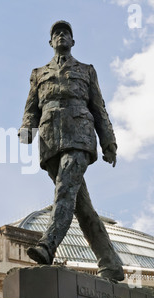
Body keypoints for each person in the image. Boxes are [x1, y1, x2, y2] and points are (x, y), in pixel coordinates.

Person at [18, 20, 124, 281]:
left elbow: (99, 107)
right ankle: (111, 262)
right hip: (50, 140)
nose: (62, 36)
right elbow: (32, 108)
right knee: (81, 205)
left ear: (72, 42)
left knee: (64, 190)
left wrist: (108, 142)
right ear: (51, 42)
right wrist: (27, 129)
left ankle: (47, 245)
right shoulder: (38, 73)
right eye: (57, 34)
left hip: (80, 135)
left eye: (66, 33)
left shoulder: (86, 70)